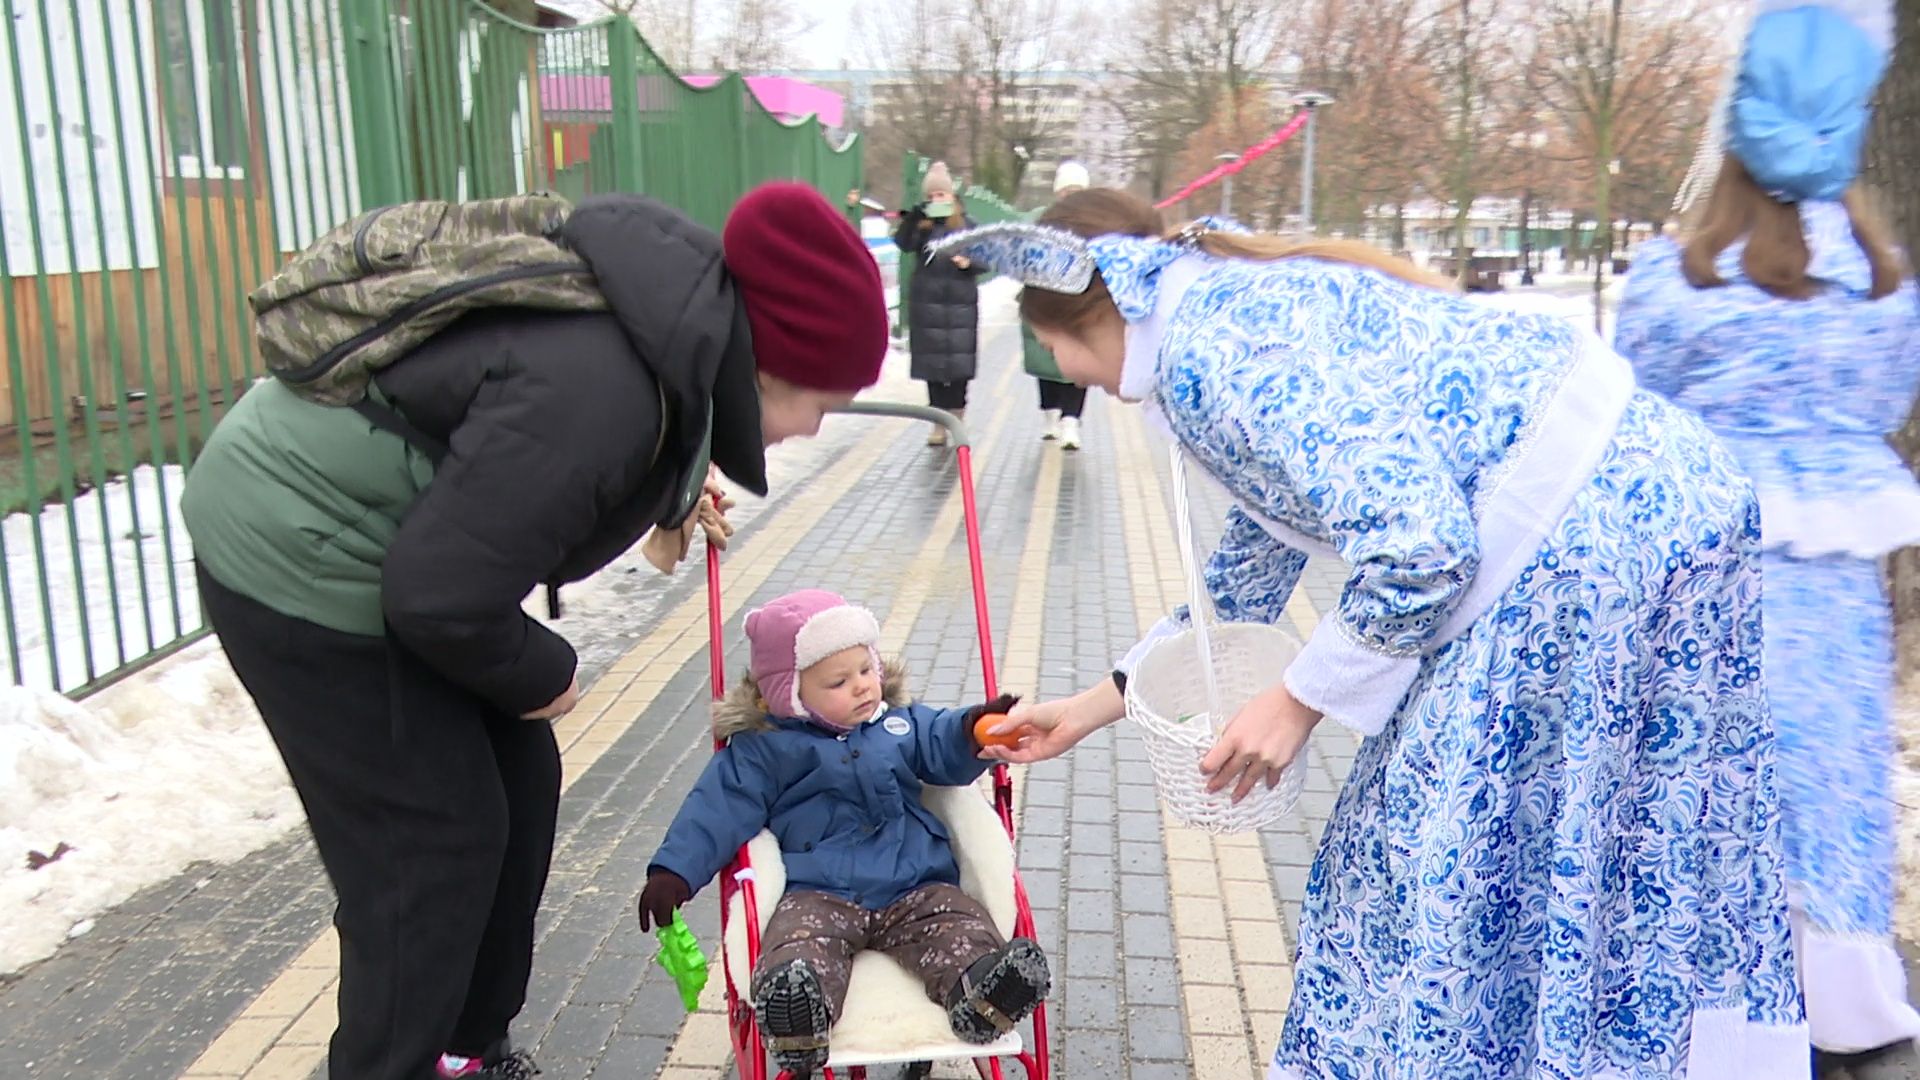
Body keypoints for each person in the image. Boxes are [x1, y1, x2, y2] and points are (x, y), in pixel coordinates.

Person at [941, 191, 1808, 1077]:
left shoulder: (1207, 352)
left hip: (1585, 555)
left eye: (1047, 343)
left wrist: (1295, 702)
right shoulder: (1221, 305)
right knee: (1614, 836)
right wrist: (1092, 709)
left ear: (1082, 318)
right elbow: (1245, 576)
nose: (1056, 367)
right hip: (1661, 510)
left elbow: (1423, 548)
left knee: (1440, 851)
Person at [181, 183, 889, 1080]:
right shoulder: (603, 392)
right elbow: (440, 594)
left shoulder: (667, 332)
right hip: (298, 553)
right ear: (770, 360)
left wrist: (670, 487)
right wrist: (543, 667)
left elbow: (533, 456)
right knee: (428, 848)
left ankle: (466, 1047)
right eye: (822, 398)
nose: (818, 426)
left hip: (382, 549)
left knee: (517, 781)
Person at [1613, 5, 1920, 1074]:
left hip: (1699, 585)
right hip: (1831, 599)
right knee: (1828, 784)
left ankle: (1697, 1019)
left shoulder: (1673, 285)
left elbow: (1631, 420)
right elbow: (1887, 401)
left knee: (1695, 789)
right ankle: (1835, 1001)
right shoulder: (1885, 293)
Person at [635, 590, 1050, 1077]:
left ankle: (983, 992)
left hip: (915, 883)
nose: (862, 687)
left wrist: (975, 730)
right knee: (797, 945)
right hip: (818, 891)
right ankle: (799, 1018)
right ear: (787, 693)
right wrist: (674, 873)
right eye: (838, 680)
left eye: (866, 669)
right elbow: (717, 808)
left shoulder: (897, 724)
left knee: (959, 926)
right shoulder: (765, 749)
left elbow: (940, 738)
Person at [895, 162, 983, 446]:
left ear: (952, 196)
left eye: (941, 195)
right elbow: (903, 243)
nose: (937, 201)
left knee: (958, 368)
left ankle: (956, 419)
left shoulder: (969, 225)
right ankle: (937, 424)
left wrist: (968, 263)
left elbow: (987, 258)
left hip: (960, 305)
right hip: (928, 305)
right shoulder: (922, 226)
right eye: (931, 196)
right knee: (932, 368)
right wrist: (915, 217)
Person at [1024, 162, 1091, 449]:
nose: (1071, 195)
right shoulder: (1040, 220)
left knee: (1080, 362)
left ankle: (1071, 421)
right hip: (1046, 297)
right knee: (1047, 360)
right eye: (1067, 190)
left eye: (1077, 190)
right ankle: (1050, 414)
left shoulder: (1093, 222)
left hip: (1080, 299)